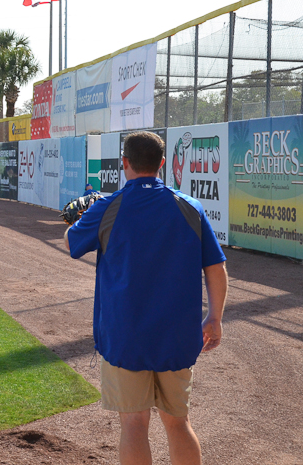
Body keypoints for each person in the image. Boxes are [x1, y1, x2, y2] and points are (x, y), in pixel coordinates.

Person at [64, 131, 228, 465]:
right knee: (178, 423)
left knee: (135, 424)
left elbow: (71, 242)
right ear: (162, 164)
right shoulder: (189, 207)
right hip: (176, 335)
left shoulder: (109, 206)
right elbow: (216, 268)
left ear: (124, 163)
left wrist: (78, 219)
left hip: (126, 336)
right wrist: (215, 318)